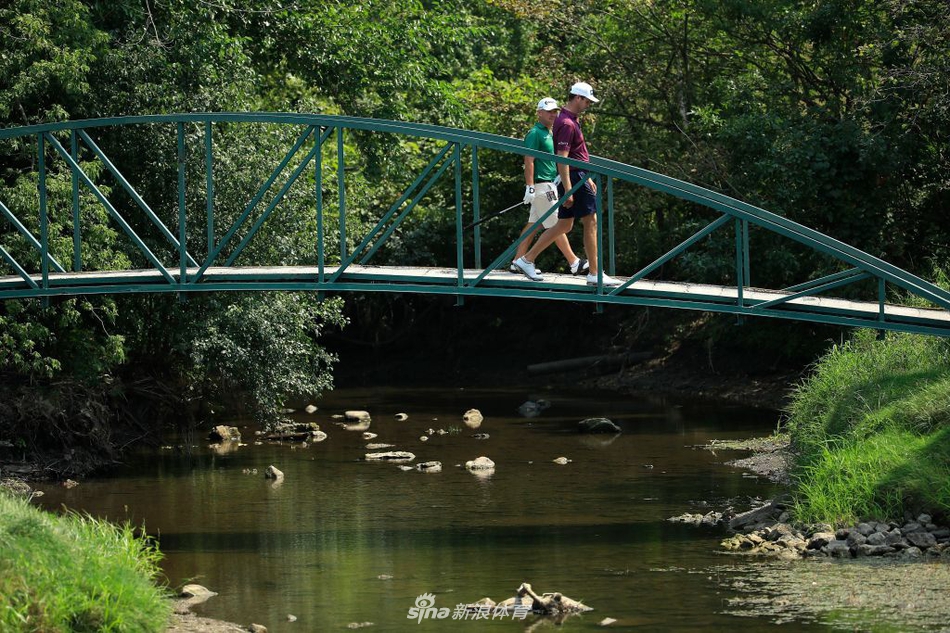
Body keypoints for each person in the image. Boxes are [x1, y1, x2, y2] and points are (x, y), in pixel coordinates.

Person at [513, 82, 620, 287]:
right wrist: (570, 188)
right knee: (591, 221)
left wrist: (586, 176)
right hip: (572, 177)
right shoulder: (567, 123)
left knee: (564, 224)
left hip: (577, 176)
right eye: (587, 100)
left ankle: (526, 259)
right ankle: (595, 274)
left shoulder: (569, 120)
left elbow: (575, 154)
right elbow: (562, 158)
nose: (589, 104)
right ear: (577, 98)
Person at [509, 97, 588, 277]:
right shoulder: (535, 133)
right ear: (539, 113)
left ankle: (517, 262)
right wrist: (529, 186)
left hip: (549, 183)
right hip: (542, 186)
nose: (553, 114)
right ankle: (574, 262)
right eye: (549, 111)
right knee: (556, 224)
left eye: (555, 111)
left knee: (533, 225)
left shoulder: (551, 133)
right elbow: (529, 160)